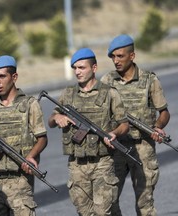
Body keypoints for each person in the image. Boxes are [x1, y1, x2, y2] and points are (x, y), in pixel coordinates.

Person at [48, 48, 129, 215]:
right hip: (76, 164)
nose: (77, 72)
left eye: (82, 67)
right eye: (75, 68)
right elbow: (51, 119)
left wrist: (115, 133)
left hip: (102, 162)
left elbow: (124, 124)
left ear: (94, 68)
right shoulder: (68, 94)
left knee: (102, 212)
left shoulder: (110, 93)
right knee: (85, 212)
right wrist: (57, 118)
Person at [101, 34, 170, 216]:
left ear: (132, 56)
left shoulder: (149, 80)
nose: (116, 61)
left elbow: (164, 112)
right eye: (113, 57)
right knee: (109, 201)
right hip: (116, 147)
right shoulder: (106, 81)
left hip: (143, 147)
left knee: (144, 204)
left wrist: (157, 126)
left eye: (120, 56)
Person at [0, 55, 48, 216]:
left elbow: (42, 138)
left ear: (14, 77)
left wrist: (31, 156)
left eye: (1, 76)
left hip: (20, 180)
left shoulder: (29, 104)